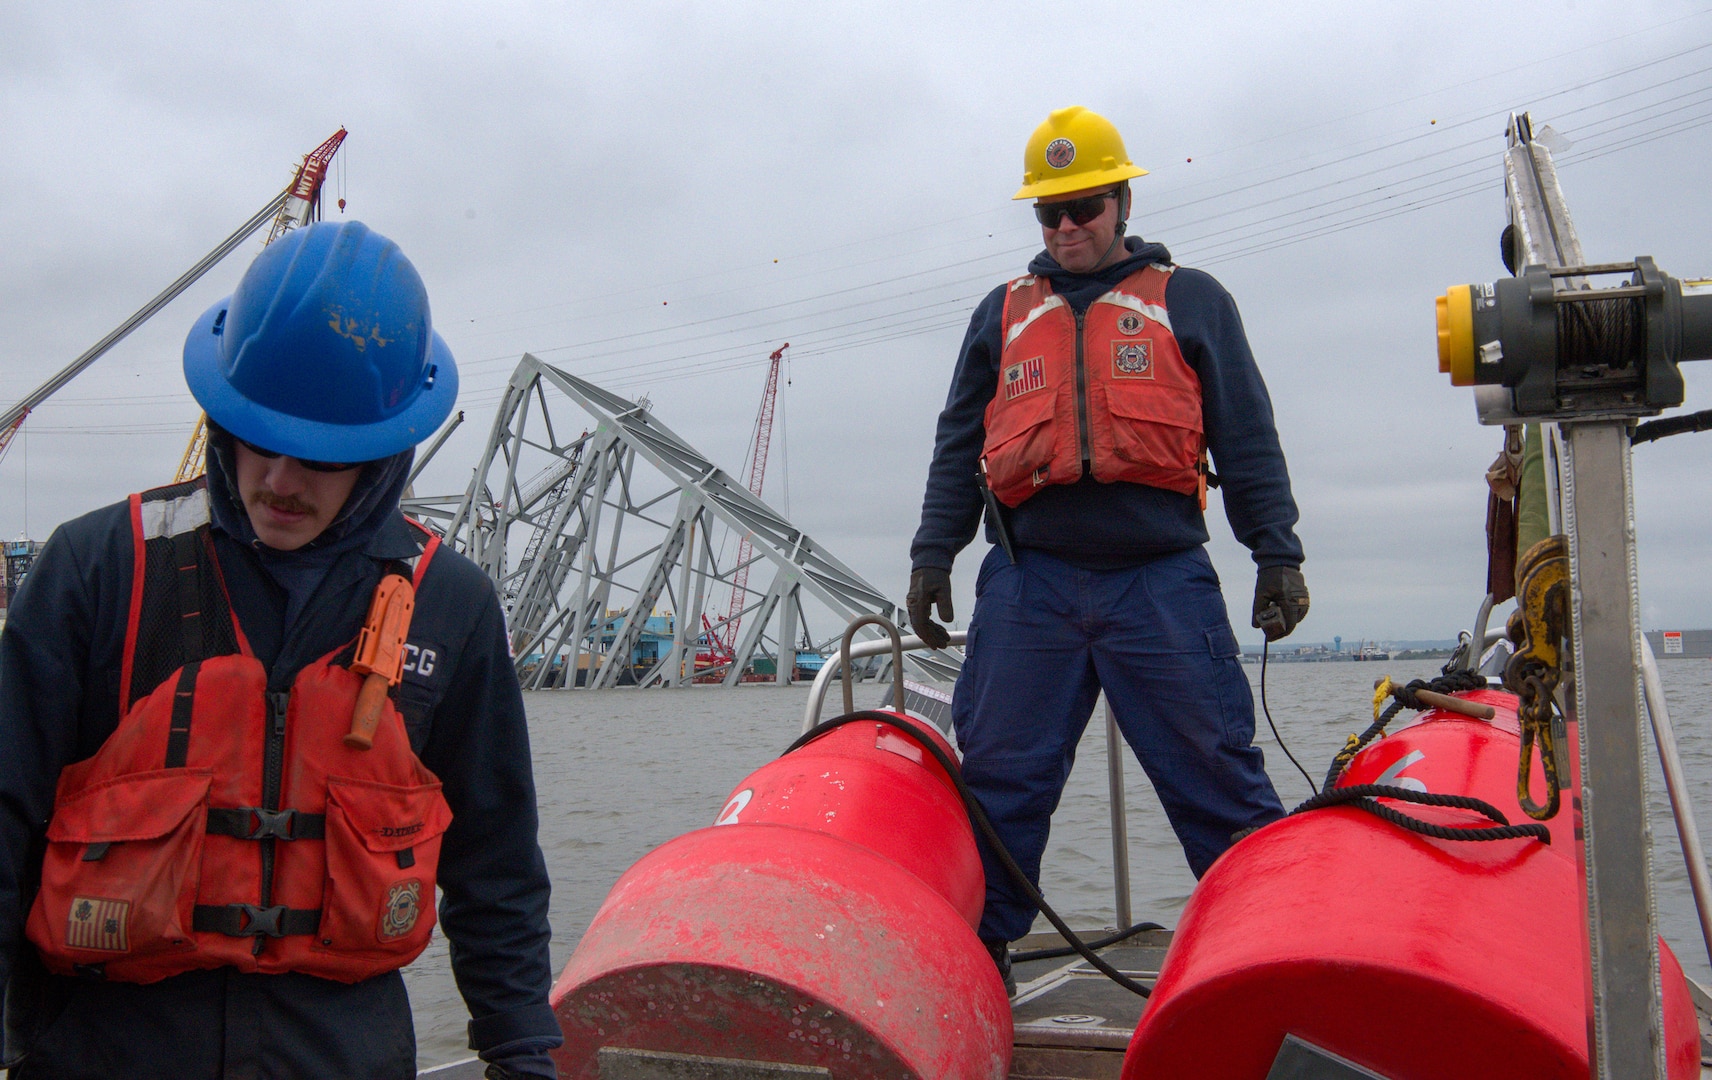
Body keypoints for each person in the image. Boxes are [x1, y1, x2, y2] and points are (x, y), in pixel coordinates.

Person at [0, 222, 562, 1079]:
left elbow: (499, 869)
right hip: (103, 1049)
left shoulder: (451, 605)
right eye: (259, 439)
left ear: (383, 452)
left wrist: (522, 1055)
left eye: (320, 457)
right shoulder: (96, 569)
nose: (279, 482)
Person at [906, 106, 1311, 991]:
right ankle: (980, 965)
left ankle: (1281, 957)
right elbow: (955, 443)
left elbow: (1246, 432)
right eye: (1047, 213)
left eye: (1081, 206)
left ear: (1121, 202)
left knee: (1217, 777)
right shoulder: (1000, 313)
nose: (1064, 228)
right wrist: (932, 555)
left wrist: (1276, 552)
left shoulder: (1192, 298)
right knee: (1001, 782)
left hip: (1159, 582)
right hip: (1027, 583)